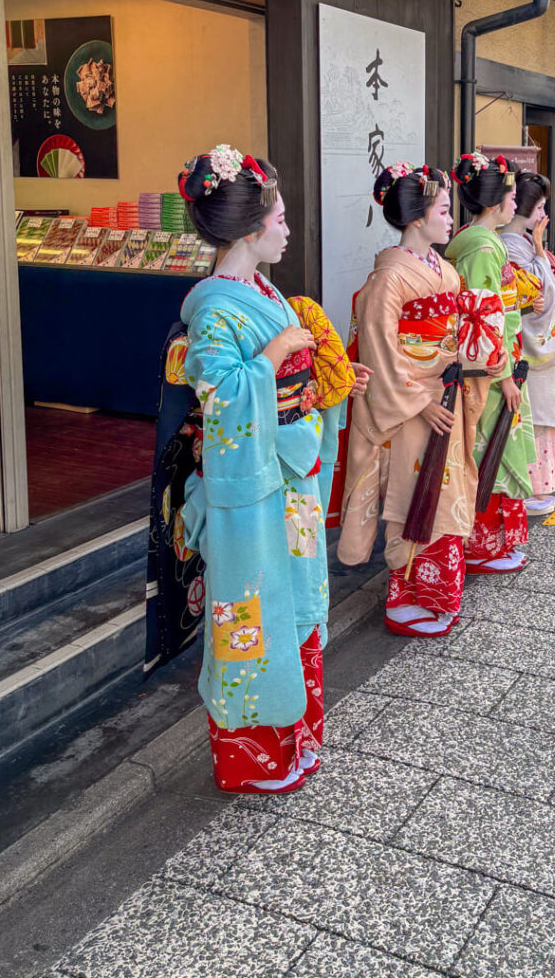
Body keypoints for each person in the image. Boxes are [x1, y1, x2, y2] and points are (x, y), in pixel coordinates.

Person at [150, 144, 359, 795]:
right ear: (250, 228)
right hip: (249, 494)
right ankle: (251, 760)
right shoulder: (216, 309)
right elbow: (220, 394)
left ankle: (292, 740)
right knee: (253, 620)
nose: (288, 230)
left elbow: (290, 383)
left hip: (284, 484)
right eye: (281, 219)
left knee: (291, 610)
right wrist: (273, 356)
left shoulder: (257, 289)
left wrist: (327, 383)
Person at [338, 162, 506, 637]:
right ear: (417, 218)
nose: (451, 220)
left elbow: (458, 332)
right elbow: (378, 351)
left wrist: (478, 364)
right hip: (412, 403)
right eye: (444, 210)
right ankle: (405, 599)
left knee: (447, 491)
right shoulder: (389, 278)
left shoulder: (444, 270)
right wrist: (418, 401)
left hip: (445, 391)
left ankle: (437, 592)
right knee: (414, 497)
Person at [446, 152, 536, 574]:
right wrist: (504, 377)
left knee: (497, 447)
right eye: (513, 197)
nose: (517, 205)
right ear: (494, 202)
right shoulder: (482, 248)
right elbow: (483, 323)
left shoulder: (479, 240)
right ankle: (483, 546)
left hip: (500, 357)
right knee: (491, 449)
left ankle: (493, 544)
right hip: (488, 369)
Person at [500, 171, 555, 515]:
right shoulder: (513, 244)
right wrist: (541, 249)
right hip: (527, 344)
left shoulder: (519, 241)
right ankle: (527, 488)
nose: (544, 213)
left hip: (531, 339)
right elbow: (545, 290)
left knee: (541, 416)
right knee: (535, 417)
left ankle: (537, 486)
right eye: (539, 206)